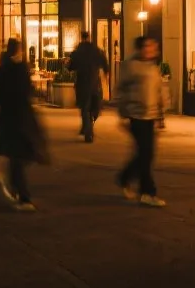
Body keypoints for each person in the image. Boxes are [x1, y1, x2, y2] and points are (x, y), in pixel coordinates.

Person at [0, 38, 47, 212]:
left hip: (11, 117)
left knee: (19, 155)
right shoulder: (19, 69)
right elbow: (26, 91)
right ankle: (22, 195)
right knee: (21, 155)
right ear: (18, 50)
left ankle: (16, 187)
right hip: (19, 117)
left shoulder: (4, 69)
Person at [116, 36, 166, 207]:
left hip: (150, 116)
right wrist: (122, 114)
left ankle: (125, 177)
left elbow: (158, 92)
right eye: (149, 46)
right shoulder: (131, 66)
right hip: (136, 116)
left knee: (145, 154)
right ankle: (147, 192)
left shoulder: (153, 67)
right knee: (145, 154)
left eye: (154, 47)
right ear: (140, 48)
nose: (153, 50)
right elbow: (121, 90)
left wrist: (161, 116)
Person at [69, 32, 108, 143]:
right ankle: (88, 126)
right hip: (95, 82)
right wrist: (105, 73)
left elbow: (71, 66)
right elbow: (104, 62)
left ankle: (88, 132)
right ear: (89, 37)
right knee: (94, 106)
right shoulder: (96, 50)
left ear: (81, 38)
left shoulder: (78, 52)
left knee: (85, 107)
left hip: (82, 82)